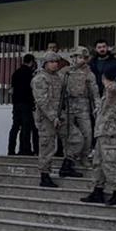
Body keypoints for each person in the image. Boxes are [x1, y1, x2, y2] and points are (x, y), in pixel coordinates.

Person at [82, 66, 116, 206]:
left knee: (109, 163)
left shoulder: (113, 89)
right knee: (98, 163)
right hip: (102, 132)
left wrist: (110, 85)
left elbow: (113, 92)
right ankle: (98, 190)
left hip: (109, 132)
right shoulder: (107, 92)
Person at [59, 46, 98, 178]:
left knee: (87, 132)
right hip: (68, 105)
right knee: (69, 133)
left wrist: (96, 108)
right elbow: (58, 90)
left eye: (83, 58)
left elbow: (95, 92)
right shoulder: (64, 72)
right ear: (73, 58)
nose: (81, 60)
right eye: (79, 57)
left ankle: (84, 157)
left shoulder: (89, 74)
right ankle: (69, 158)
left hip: (83, 104)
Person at [32, 51, 65, 188]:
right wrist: (52, 116)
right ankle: (44, 175)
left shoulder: (57, 77)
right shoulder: (40, 78)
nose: (54, 64)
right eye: (51, 62)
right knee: (47, 146)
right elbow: (42, 101)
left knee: (72, 139)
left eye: (56, 62)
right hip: (46, 118)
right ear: (45, 63)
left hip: (57, 116)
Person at [8, 54, 38, 156]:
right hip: (26, 103)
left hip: (16, 103)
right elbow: (31, 90)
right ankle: (25, 150)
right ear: (31, 62)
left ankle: (11, 150)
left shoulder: (15, 73)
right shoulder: (30, 74)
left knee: (15, 127)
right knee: (26, 127)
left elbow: (12, 89)